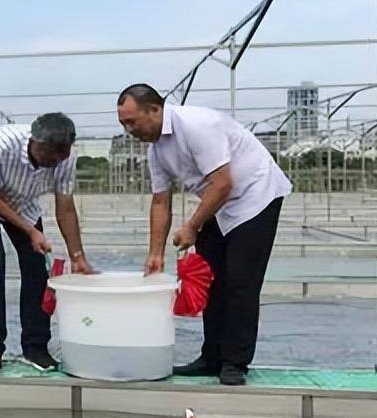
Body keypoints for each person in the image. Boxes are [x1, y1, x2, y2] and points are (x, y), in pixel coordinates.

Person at [117, 83, 292, 387]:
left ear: (155, 109)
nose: (129, 129)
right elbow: (160, 201)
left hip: (255, 195)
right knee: (211, 279)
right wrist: (155, 254)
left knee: (240, 282)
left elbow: (224, 183)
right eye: (123, 123)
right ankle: (211, 356)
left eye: (132, 121)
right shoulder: (156, 151)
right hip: (219, 203)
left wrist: (193, 225)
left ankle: (235, 362)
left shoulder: (197, 125)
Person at [0, 113, 94, 371]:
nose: (56, 163)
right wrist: (31, 232)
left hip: (24, 203)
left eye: (62, 157)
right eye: (52, 157)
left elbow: (65, 206)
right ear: (37, 144)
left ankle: (35, 347)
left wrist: (77, 256)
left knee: (36, 270)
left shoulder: (66, 158)